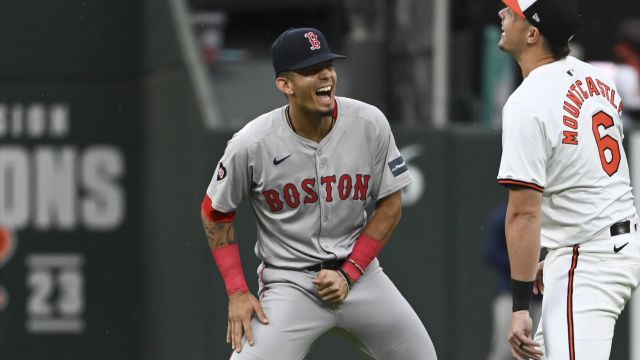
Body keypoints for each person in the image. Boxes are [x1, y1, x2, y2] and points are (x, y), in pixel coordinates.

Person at [200, 27, 438, 359]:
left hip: (361, 277)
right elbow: (215, 212)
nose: (325, 74)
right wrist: (238, 291)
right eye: (311, 70)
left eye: (328, 65)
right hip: (290, 283)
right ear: (286, 85)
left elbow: (391, 205)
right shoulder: (251, 143)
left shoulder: (370, 123)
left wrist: (350, 271)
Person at [496, 0, 640, 359]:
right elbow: (586, 176)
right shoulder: (595, 77)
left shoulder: (526, 102)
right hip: (605, 243)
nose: (501, 15)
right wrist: (559, 252)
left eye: (511, 12)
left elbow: (523, 214)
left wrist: (519, 307)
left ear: (532, 33)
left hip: (589, 259)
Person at [484, 204, 541, 360]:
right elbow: (491, 253)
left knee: (539, 352)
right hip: (510, 295)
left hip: (543, 297)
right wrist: (524, 266)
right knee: (504, 350)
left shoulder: (548, 216)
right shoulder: (502, 217)